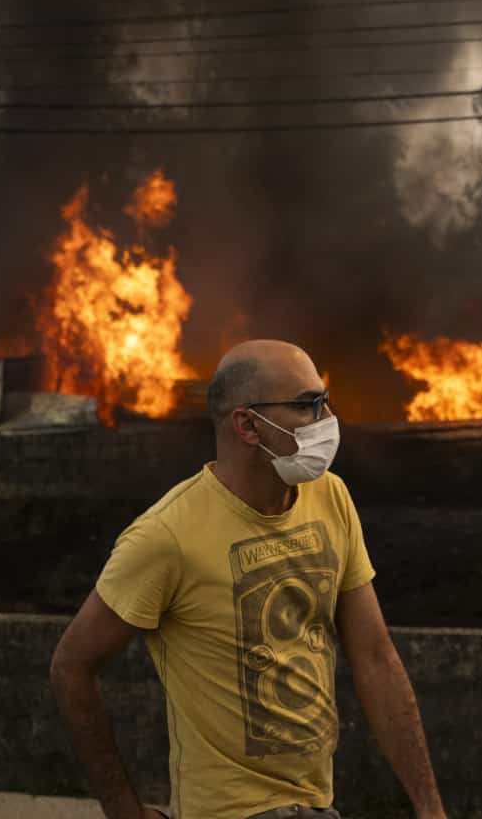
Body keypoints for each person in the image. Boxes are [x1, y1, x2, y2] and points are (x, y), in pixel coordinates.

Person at [51, 339, 447, 819]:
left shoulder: (331, 497)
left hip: (318, 806)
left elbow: (376, 658)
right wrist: (123, 811)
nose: (325, 420)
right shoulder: (166, 536)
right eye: (305, 405)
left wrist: (430, 808)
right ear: (247, 424)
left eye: (324, 401)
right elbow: (72, 665)